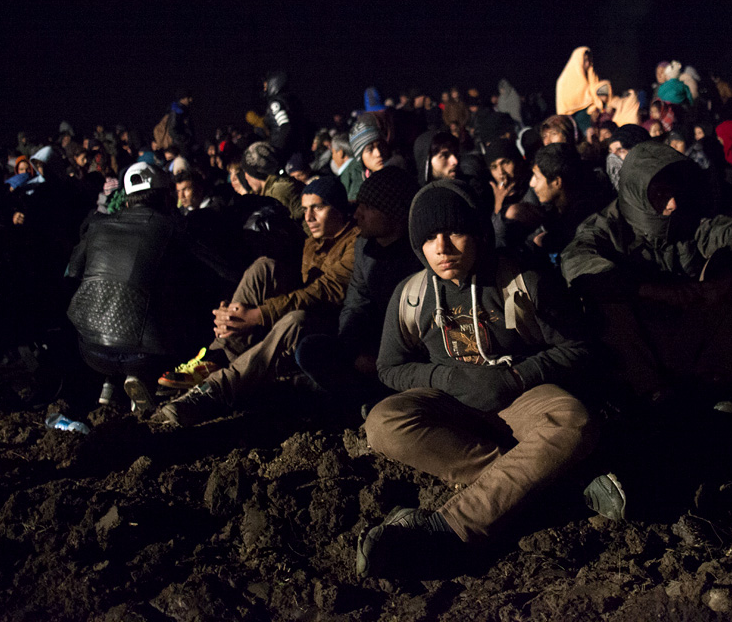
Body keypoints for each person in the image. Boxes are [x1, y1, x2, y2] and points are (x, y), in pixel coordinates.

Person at [356, 180, 622, 579]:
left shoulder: (522, 280)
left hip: (522, 395)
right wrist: (448, 377)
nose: (442, 248)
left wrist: (516, 376)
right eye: (429, 238)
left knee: (573, 420)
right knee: (382, 422)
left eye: (454, 232)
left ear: (479, 232)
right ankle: (556, 482)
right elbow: (390, 366)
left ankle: (445, 528)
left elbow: (579, 347)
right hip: (452, 400)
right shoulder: (411, 295)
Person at [155, 175, 360, 425]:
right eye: (305, 209)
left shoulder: (355, 244)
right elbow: (292, 284)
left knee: (296, 319)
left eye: (317, 207)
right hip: (306, 315)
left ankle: (212, 390)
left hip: (331, 328)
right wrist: (233, 312)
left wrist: (257, 315)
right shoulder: (313, 242)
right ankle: (215, 357)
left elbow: (325, 291)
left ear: (338, 208)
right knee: (265, 268)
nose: (309, 217)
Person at [561, 140, 732, 401]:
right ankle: (650, 392)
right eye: (661, 194)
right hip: (640, 341)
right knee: (607, 300)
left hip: (685, 330)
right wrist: (649, 290)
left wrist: (723, 279)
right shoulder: (605, 227)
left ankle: (712, 379)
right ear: (637, 193)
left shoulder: (685, 219)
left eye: (673, 193)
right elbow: (577, 261)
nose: (673, 203)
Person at [66, 163, 237, 410]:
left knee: (116, 303)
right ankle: (145, 379)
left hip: (90, 350)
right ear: (167, 195)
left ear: (126, 199)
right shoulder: (173, 228)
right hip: (145, 355)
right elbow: (224, 273)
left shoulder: (96, 225)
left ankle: (110, 385)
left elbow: (73, 274)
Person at [293, 167, 420, 402]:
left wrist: (382, 358)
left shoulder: (420, 258)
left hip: (407, 355)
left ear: (394, 214)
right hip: (369, 350)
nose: (357, 214)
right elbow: (355, 304)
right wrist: (353, 350)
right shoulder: (365, 247)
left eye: (368, 207)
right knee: (309, 350)